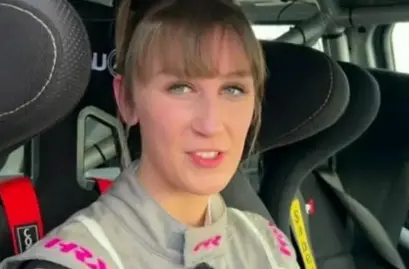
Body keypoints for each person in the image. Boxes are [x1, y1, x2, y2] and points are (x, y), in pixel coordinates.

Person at [0, 0, 300, 268]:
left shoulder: (269, 244)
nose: (211, 124)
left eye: (233, 89)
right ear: (127, 101)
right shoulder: (70, 263)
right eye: (180, 88)